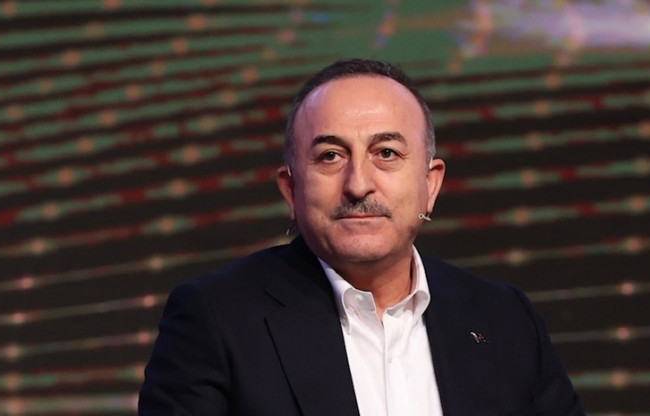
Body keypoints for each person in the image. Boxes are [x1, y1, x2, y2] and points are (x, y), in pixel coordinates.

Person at [139, 59, 584, 415]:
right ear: (291, 190)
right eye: (330, 156)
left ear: (430, 184)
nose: (358, 184)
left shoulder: (504, 319)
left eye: (386, 153)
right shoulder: (216, 318)